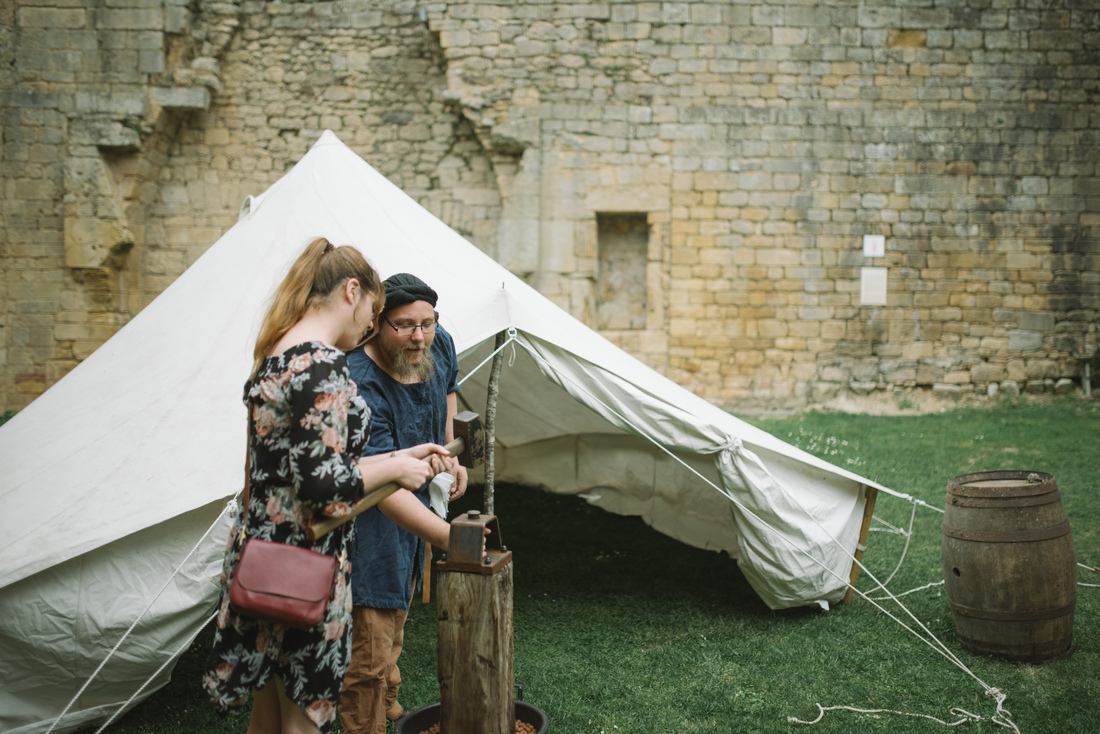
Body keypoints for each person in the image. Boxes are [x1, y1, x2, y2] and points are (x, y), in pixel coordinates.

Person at [203, 239, 454, 734]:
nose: (369, 324)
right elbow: (326, 490)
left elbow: (303, 467)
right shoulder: (321, 365)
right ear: (352, 291)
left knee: (268, 716)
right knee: (302, 720)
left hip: (263, 558)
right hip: (305, 567)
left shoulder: (279, 351)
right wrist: (395, 472)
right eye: (374, 310)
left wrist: (399, 456)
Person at [340, 273, 468, 734]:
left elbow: (448, 387)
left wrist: (451, 453)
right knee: (372, 628)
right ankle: (365, 723)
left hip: (419, 500)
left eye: (426, 323)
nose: (419, 336)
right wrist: (451, 539)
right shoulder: (358, 381)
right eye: (405, 326)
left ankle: (390, 703)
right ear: (377, 324)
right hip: (372, 516)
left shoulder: (438, 341)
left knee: (400, 611)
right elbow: (381, 486)